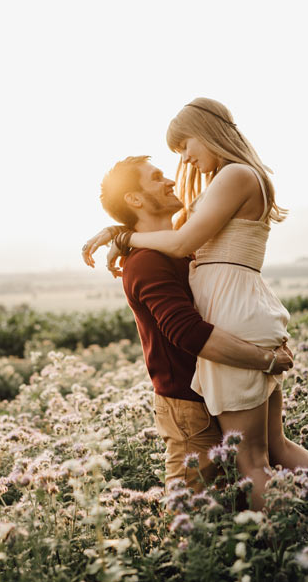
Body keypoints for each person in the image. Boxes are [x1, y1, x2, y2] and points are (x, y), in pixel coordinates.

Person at [83, 99, 308, 509]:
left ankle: (289, 548)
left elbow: (180, 241)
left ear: (208, 130)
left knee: (253, 460)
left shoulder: (235, 175)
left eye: (184, 145)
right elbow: (176, 234)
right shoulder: (230, 180)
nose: (183, 160)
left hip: (232, 314)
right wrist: (120, 229)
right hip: (243, 309)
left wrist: (125, 238)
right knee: (273, 449)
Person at [84, 154, 293, 495]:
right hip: (187, 404)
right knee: (192, 512)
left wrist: (118, 233)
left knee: (230, 500)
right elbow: (189, 334)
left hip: (217, 384)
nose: (170, 180)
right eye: (156, 177)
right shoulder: (148, 263)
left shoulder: (180, 246)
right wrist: (265, 360)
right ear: (134, 199)